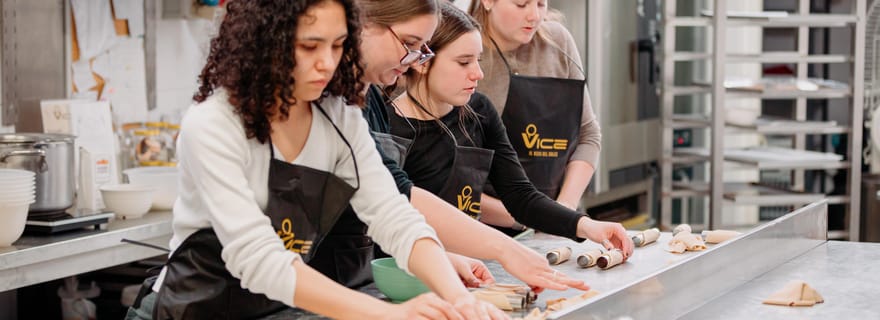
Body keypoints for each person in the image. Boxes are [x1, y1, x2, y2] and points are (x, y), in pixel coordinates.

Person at [125, 1, 502, 319]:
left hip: (274, 308)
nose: (327, 63)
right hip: (187, 310)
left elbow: (393, 215)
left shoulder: (339, 117)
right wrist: (390, 314)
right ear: (267, 42)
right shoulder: (213, 124)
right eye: (310, 46)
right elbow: (259, 260)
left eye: (338, 46)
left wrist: (460, 300)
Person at [355, 0, 601, 293]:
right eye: (463, 62)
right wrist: (498, 248)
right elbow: (396, 204)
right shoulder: (386, 120)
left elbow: (520, 194)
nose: (477, 75)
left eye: (477, 61)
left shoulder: (478, 111)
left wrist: (581, 224)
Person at [468, 0, 601, 235]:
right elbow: (447, 173)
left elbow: (588, 135)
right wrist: (530, 218)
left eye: (541, 4)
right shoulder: (465, 54)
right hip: (486, 230)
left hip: (558, 226)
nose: (534, 16)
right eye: (521, 4)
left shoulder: (558, 42)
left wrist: (564, 210)